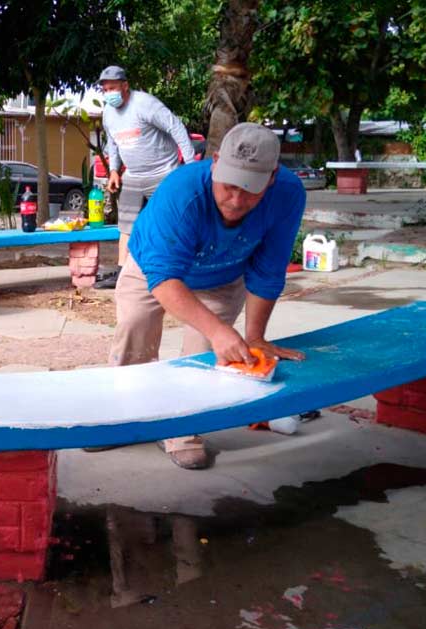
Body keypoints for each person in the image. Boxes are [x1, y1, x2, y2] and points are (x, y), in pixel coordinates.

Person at [102, 123, 307, 470]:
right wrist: (219, 331)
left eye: (251, 191)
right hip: (155, 265)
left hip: (224, 274)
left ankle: (184, 432)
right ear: (214, 163)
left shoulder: (288, 194)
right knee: (135, 328)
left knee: (205, 354)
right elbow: (165, 279)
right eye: (228, 186)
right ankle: (123, 419)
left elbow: (268, 270)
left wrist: (255, 335)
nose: (236, 200)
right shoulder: (181, 193)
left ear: (272, 177)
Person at [95, 65, 196, 289]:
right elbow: (112, 142)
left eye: (112, 88)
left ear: (125, 85)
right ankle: (122, 273)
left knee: (171, 223)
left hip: (164, 173)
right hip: (133, 175)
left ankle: (179, 271)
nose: (109, 93)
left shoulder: (145, 104)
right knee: (126, 225)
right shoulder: (108, 114)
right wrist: (114, 170)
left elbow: (176, 127)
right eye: (105, 90)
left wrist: (190, 165)